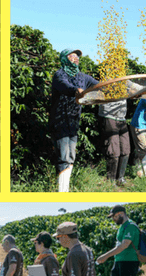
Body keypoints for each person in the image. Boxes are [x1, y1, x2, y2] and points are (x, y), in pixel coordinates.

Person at [50, 49, 99, 192]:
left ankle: (65, 188)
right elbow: (65, 86)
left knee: (71, 155)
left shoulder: (83, 77)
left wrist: (117, 89)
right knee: (64, 156)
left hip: (73, 122)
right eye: (72, 56)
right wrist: (75, 90)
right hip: (60, 121)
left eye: (77, 57)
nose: (76, 58)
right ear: (65, 59)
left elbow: (98, 85)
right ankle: (62, 191)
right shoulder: (59, 74)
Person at [98, 100, 130, 185]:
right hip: (108, 115)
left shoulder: (126, 86)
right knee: (114, 150)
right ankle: (111, 181)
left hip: (121, 118)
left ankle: (120, 178)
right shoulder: (105, 86)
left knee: (126, 148)